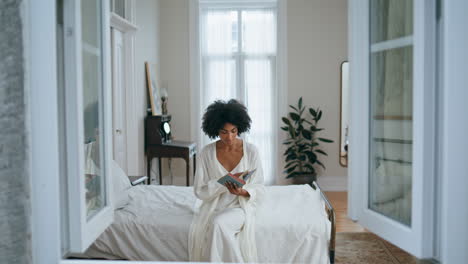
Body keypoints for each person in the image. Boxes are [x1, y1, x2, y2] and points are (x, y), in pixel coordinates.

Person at [188, 99, 266, 263]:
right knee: (216, 223)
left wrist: (243, 192)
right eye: (224, 132)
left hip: (240, 206)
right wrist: (223, 183)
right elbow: (199, 190)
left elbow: (260, 187)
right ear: (215, 129)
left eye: (233, 131)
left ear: (240, 128)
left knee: (219, 224)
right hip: (214, 206)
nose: (229, 137)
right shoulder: (206, 153)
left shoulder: (251, 151)